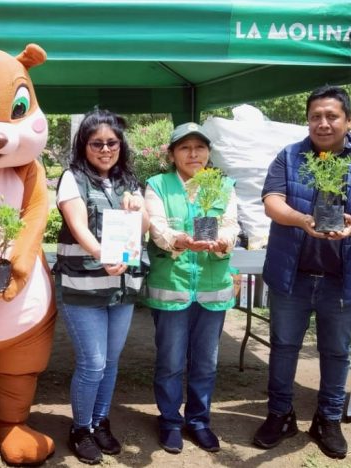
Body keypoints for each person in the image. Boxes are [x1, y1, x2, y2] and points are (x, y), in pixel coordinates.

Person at [253, 85, 351, 459]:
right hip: (292, 276)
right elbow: (272, 202)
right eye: (316, 116)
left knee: (335, 352)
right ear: (308, 120)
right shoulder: (290, 156)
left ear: (348, 121)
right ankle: (279, 415)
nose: (323, 123)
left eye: (332, 116)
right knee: (283, 348)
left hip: (341, 280)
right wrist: (302, 220)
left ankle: (327, 420)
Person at [53, 109, 148, 465]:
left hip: (120, 287)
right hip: (83, 286)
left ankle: (99, 421)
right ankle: (80, 428)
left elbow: (143, 228)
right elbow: (77, 224)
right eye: (97, 143)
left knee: (110, 362)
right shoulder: (72, 178)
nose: (106, 149)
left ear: (121, 145)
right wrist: (100, 252)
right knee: (92, 363)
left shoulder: (128, 181)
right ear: (84, 145)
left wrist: (140, 208)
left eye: (112, 142)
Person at [143, 122, 239, 454]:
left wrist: (223, 242)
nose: (193, 153)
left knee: (206, 362)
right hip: (172, 287)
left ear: (209, 153)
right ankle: (170, 420)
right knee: (170, 361)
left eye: (200, 147)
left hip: (212, 288)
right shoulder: (158, 185)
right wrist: (178, 241)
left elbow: (230, 224)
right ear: (172, 154)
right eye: (185, 147)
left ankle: (199, 420)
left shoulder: (223, 185)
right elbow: (156, 226)